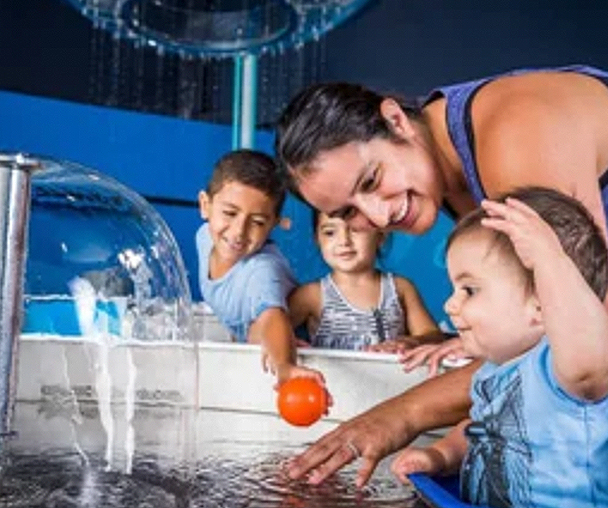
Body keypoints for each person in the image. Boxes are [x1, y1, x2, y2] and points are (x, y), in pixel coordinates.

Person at [274, 65, 608, 488]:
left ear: (396, 120)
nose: (378, 216)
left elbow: (583, 346)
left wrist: (400, 415)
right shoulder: (446, 177)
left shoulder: (512, 137)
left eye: (372, 180)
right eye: (348, 213)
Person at [391, 187, 608, 507]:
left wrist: (550, 260)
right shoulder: (493, 372)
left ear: (541, 303)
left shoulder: (564, 370)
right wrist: (440, 455)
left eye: (470, 290)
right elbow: (480, 432)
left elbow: (592, 362)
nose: (450, 305)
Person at [196, 149, 327, 387]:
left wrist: (285, 365)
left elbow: (272, 318)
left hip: (291, 353)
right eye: (229, 213)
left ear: (274, 225)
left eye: (257, 222)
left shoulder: (261, 272)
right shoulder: (204, 238)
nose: (238, 231)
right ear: (205, 205)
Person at [288, 207, 442, 350]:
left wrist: (411, 342)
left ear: (381, 236)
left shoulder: (400, 288)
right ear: (317, 239)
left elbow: (434, 336)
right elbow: (269, 332)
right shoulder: (311, 295)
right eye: (330, 233)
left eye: (355, 230)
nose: (344, 241)